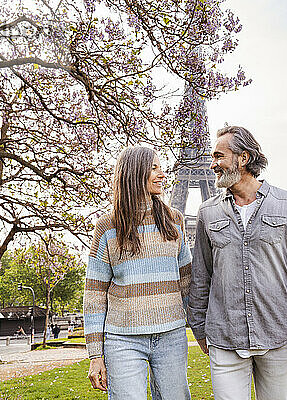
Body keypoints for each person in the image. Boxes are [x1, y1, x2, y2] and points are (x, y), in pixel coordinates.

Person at [188, 126, 287, 400]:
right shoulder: (208, 211)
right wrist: (199, 327)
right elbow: (201, 276)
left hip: (276, 334)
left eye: (219, 156)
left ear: (243, 158)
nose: (213, 164)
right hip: (224, 337)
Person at [84, 146, 192, 400]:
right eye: (154, 168)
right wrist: (95, 355)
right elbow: (94, 294)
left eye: (161, 167)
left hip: (171, 337)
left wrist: (200, 330)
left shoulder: (174, 220)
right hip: (123, 340)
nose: (162, 174)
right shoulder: (107, 226)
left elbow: (187, 282)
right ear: (134, 173)